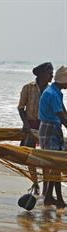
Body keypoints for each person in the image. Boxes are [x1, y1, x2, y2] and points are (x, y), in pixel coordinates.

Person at [18, 62, 53, 195]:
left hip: (45, 125)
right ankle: (35, 182)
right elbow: (21, 107)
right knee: (30, 156)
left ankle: (45, 188)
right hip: (30, 124)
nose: (51, 74)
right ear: (40, 74)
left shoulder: (50, 90)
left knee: (46, 157)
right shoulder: (28, 87)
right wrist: (25, 124)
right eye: (49, 72)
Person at [38, 65, 67, 209]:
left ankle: (49, 197)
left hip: (53, 128)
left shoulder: (56, 92)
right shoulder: (52, 94)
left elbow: (64, 112)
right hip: (49, 129)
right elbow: (61, 116)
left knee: (55, 165)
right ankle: (59, 199)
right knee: (55, 163)